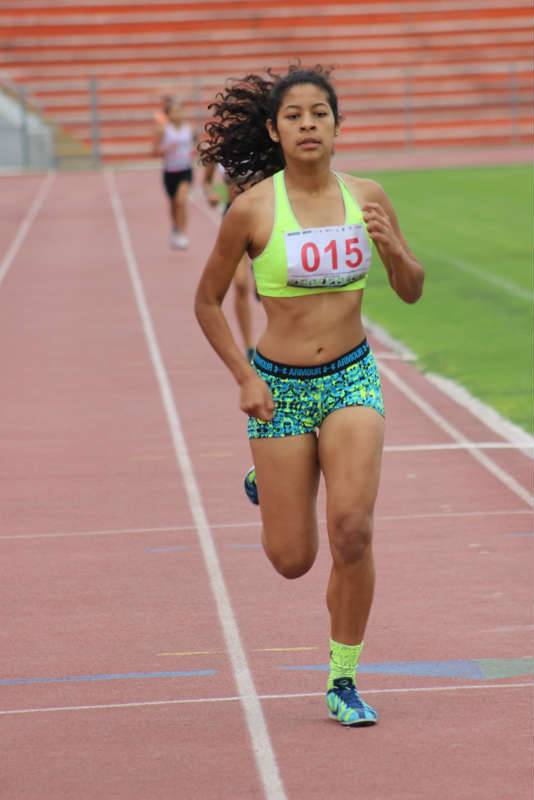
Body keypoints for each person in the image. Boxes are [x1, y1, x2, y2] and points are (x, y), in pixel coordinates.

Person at [194, 66, 424, 727]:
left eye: (319, 113)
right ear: (274, 129)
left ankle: (342, 678)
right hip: (280, 391)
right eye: (293, 116)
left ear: (337, 124)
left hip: (352, 377)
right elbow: (207, 301)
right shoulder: (252, 209)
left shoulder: (368, 196)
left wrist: (395, 250)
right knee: (292, 559)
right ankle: (266, 477)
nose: (307, 125)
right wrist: (244, 375)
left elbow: (410, 288)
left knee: (352, 529)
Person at [202, 161, 256, 361]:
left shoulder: (266, 141)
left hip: (266, 215)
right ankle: (250, 347)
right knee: (241, 284)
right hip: (234, 216)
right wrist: (210, 194)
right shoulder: (221, 149)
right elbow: (206, 182)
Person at [152, 99, 195, 250]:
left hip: (185, 170)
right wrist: (166, 149)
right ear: (168, 115)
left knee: (181, 200)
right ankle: (175, 228)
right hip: (170, 172)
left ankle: (183, 233)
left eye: (180, 111)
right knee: (173, 204)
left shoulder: (189, 129)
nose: (178, 114)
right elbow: (154, 151)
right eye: (174, 112)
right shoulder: (163, 130)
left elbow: (194, 145)